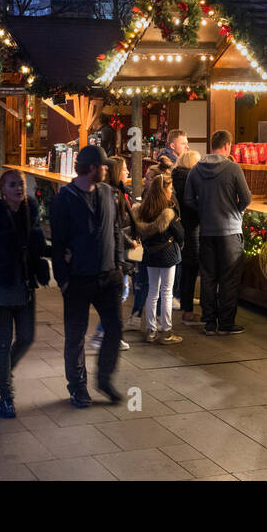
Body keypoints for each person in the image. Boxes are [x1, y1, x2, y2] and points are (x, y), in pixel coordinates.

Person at [0, 169, 50, 418]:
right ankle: (6, 396)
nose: (18, 189)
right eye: (13, 185)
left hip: (24, 284)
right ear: (3, 191)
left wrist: (59, 254)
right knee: (2, 342)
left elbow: (36, 247)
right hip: (1, 287)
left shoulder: (30, 211)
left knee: (26, 337)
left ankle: (5, 369)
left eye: (21, 184)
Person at [50, 143, 125, 409]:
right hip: (78, 279)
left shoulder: (107, 193)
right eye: (104, 166)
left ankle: (103, 379)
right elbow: (57, 242)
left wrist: (119, 265)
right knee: (75, 336)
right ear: (92, 168)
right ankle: (78, 387)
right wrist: (64, 279)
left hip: (108, 276)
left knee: (115, 328)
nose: (107, 170)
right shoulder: (65, 198)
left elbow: (116, 230)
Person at [183, 129, 253, 336]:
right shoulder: (233, 169)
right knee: (229, 278)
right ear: (227, 146)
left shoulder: (196, 170)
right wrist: (235, 211)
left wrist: (204, 211)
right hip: (230, 232)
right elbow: (247, 198)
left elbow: (188, 200)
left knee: (208, 277)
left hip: (206, 232)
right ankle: (225, 323)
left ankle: (209, 322)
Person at [133, 164, 185, 344]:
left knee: (153, 291)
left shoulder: (143, 210)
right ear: (163, 191)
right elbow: (180, 234)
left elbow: (139, 232)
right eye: (170, 189)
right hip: (168, 254)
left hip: (150, 255)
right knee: (167, 292)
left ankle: (150, 330)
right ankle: (167, 331)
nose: (171, 192)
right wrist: (181, 243)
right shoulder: (168, 211)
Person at [94, 156, 135, 351]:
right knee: (120, 293)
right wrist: (130, 241)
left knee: (121, 294)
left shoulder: (120, 193)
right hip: (118, 253)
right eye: (125, 169)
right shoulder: (113, 195)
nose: (128, 173)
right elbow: (116, 227)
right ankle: (105, 332)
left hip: (120, 250)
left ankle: (106, 332)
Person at [172, 148, 202, 323]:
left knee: (184, 269)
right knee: (191, 268)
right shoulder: (190, 180)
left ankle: (185, 304)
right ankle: (187, 311)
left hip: (179, 229)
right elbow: (192, 206)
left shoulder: (176, 177)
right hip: (190, 229)